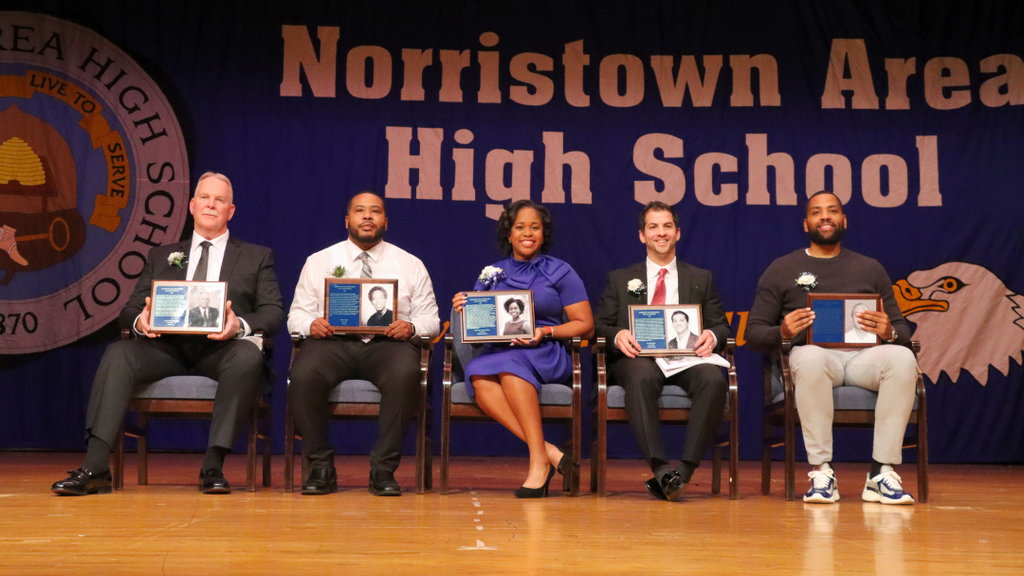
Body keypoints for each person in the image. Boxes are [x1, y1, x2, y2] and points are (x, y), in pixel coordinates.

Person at [51, 172, 284, 496]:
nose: (211, 205)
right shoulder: (161, 255)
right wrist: (141, 321)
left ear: (231, 211)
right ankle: (95, 467)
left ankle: (213, 466)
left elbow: (273, 312)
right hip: (166, 349)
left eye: (220, 200)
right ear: (192, 205)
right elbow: (129, 310)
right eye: (205, 197)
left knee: (248, 355)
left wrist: (238, 326)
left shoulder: (256, 256)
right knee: (118, 354)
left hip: (222, 350)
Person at [746, 190, 918, 505]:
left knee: (903, 358)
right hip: (817, 359)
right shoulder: (782, 268)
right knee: (808, 356)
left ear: (844, 220)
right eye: (816, 211)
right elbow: (753, 333)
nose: (825, 216)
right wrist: (783, 331)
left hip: (865, 359)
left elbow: (903, 328)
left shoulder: (870, 268)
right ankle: (821, 472)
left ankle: (881, 473)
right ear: (805, 223)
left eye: (833, 210)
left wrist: (890, 331)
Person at [288, 192, 439, 496]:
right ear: (348, 220)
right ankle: (320, 467)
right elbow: (296, 315)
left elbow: (432, 320)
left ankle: (383, 470)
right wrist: (310, 324)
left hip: (389, 345)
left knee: (406, 374)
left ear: (386, 221)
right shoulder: (319, 261)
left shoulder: (410, 264)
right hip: (333, 342)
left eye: (375, 211)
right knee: (302, 375)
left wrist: (410, 326)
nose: (367, 216)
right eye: (360, 211)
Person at [452, 200, 593, 498]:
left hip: (545, 350)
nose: (527, 233)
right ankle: (548, 452)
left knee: (510, 369)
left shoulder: (560, 271)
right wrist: (464, 307)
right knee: (478, 373)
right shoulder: (492, 273)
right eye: (520, 227)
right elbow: (478, 326)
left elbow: (585, 325)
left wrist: (545, 331)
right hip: (499, 352)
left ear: (543, 234)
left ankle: (537, 465)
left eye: (535, 227)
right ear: (509, 234)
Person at [594, 201, 730, 502]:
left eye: (667, 226)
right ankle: (661, 469)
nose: (661, 233)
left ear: (678, 233)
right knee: (642, 376)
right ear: (642, 235)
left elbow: (722, 326)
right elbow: (598, 326)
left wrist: (711, 334)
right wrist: (618, 335)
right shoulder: (619, 280)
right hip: (638, 359)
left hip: (686, 358)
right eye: (653, 227)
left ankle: (683, 471)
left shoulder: (700, 278)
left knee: (715, 379)